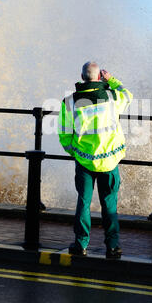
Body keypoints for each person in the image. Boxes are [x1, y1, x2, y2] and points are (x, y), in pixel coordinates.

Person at [58, 61, 133, 258]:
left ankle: (81, 244)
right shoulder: (111, 96)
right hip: (109, 161)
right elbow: (128, 95)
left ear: (82, 77)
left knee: (83, 202)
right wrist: (113, 80)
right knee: (109, 203)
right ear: (99, 77)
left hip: (84, 162)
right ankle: (113, 246)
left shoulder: (69, 102)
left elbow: (64, 134)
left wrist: (74, 152)